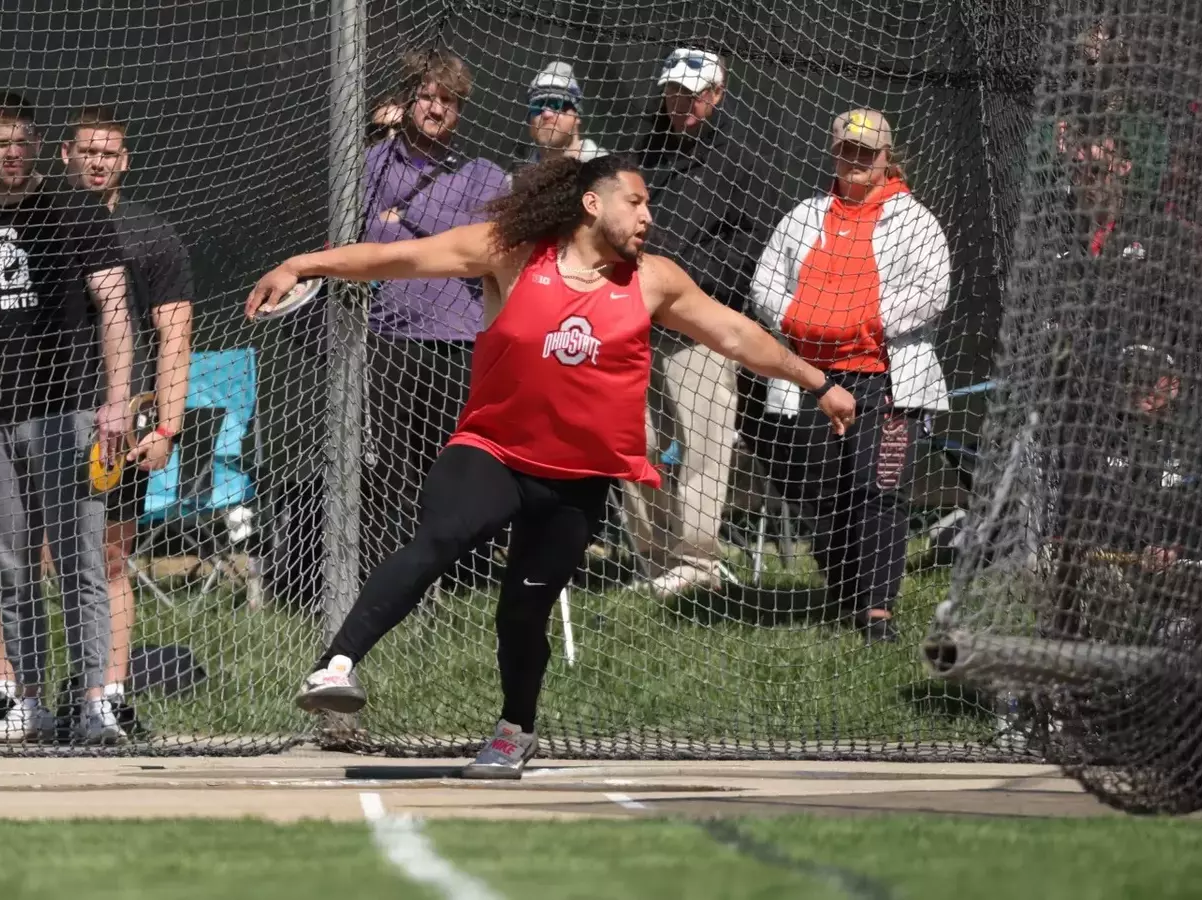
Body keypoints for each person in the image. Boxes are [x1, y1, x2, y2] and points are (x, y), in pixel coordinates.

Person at [245, 154, 856, 778]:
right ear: (593, 204)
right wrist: (303, 264)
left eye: (648, 205)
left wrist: (817, 381)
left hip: (578, 479)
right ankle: (338, 664)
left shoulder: (654, 280)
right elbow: (395, 259)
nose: (647, 215)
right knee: (439, 538)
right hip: (493, 449)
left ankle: (514, 730)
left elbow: (735, 335)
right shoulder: (512, 252)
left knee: (523, 611)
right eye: (635, 202)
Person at [0, 106, 195, 737]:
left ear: (125, 161)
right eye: (88, 151)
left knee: (103, 556)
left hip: (114, 422)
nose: (98, 162)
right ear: (63, 154)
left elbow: (174, 336)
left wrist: (165, 427)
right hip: (32, 414)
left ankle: (107, 696)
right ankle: (12, 692)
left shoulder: (149, 234)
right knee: (19, 557)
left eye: (110, 154)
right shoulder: (31, 224)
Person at [0, 91, 134, 744]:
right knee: (10, 568)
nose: (11, 153)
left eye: (21, 142)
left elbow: (115, 306)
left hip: (65, 411)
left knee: (79, 561)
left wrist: (118, 400)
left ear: (37, 146)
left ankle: (97, 700)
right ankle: (29, 701)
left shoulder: (74, 211)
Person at [748, 109, 950, 643]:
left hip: (885, 379)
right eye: (847, 149)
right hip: (810, 377)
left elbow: (934, 289)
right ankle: (843, 592)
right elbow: (765, 280)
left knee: (877, 488)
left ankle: (878, 610)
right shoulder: (803, 214)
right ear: (834, 150)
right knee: (820, 488)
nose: (855, 160)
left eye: (867, 152)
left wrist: (867, 320)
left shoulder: (914, 220)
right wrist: (794, 317)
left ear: (887, 157)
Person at [360, 48, 511, 584]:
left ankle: (463, 573)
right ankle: (388, 573)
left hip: (459, 338)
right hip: (389, 335)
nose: (436, 108)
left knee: (454, 463)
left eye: (448, 101)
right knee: (390, 464)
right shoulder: (372, 162)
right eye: (426, 96)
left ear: (461, 111)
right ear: (407, 102)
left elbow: (479, 246)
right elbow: (368, 237)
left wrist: (405, 216)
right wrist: (427, 235)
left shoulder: (485, 174)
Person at [625, 47, 771, 597]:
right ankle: (654, 557)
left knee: (704, 440)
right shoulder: (643, 147)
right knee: (634, 438)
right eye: (673, 92)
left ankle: (699, 561)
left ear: (717, 95)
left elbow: (754, 239)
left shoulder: (741, 156)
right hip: (637, 324)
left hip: (702, 325)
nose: (681, 103)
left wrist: (684, 278)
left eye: (693, 95)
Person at [518, 62, 605, 168]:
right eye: (537, 106)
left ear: (576, 116)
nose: (547, 114)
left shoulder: (606, 172)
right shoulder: (515, 182)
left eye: (556, 104)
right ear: (530, 124)